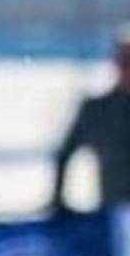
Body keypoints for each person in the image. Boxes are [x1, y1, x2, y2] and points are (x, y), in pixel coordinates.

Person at [50, 28, 130, 213]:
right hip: (114, 214)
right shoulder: (97, 110)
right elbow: (65, 154)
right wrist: (58, 202)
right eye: (124, 61)